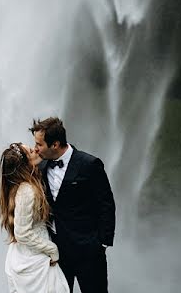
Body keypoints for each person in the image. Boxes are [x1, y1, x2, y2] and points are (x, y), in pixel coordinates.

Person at [30, 117, 115, 293]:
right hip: (57, 252)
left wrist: (102, 243)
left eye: (39, 144)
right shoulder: (41, 167)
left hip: (89, 251)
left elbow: (106, 204)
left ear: (55, 144)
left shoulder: (89, 164)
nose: (35, 149)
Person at [0, 142, 71, 293]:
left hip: (24, 254)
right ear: (26, 164)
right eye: (31, 151)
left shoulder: (23, 185)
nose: (36, 150)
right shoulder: (27, 191)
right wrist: (52, 249)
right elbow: (22, 232)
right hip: (34, 259)